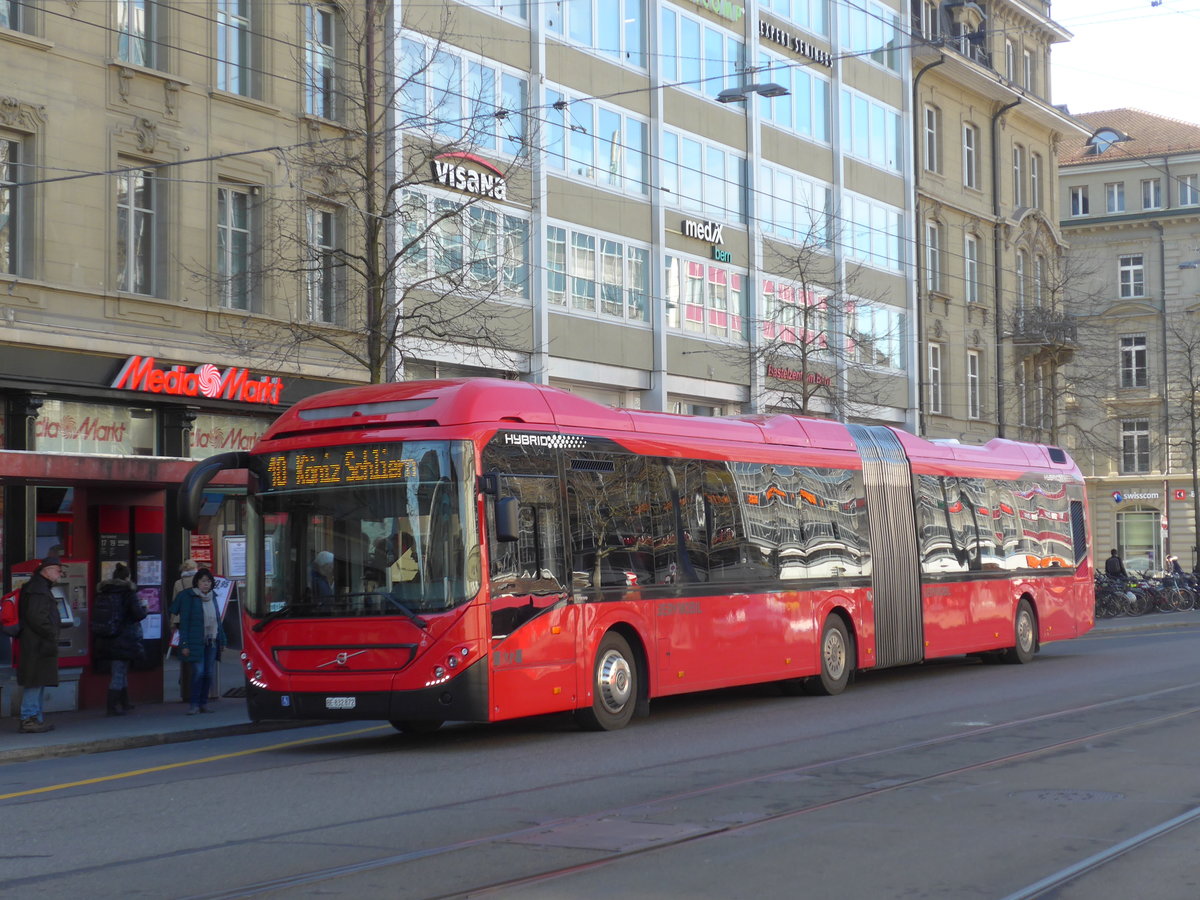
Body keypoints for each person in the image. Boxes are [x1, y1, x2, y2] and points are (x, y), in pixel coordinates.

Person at [16, 557, 67, 733]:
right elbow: (37, 617)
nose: (60, 574)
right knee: (35, 681)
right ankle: (29, 718)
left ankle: (35, 718)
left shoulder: (38, 587)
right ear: (46, 571)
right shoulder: (38, 590)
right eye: (57, 570)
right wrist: (51, 633)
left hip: (37, 643)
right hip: (38, 643)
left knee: (38, 680)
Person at [92, 563, 148, 716]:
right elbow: (138, 614)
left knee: (120, 670)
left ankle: (124, 702)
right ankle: (112, 707)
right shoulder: (128, 592)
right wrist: (145, 609)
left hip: (106, 637)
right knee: (119, 672)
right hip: (124, 637)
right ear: (127, 577)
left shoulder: (104, 591)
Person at [173, 568, 226, 715]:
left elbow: (217, 620)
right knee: (198, 672)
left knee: (208, 673)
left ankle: (204, 703)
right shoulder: (190, 598)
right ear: (197, 582)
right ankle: (194, 704)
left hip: (212, 640)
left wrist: (222, 640)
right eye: (203, 581)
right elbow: (185, 623)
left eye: (208, 581)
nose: (206, 584)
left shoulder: (213, 597)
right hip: (196, 640)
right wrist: (184, 644)